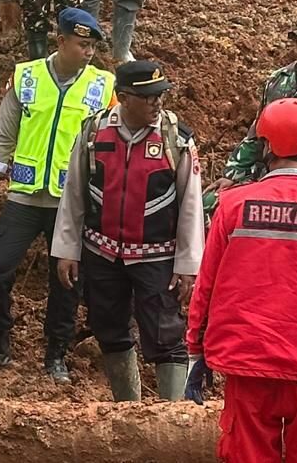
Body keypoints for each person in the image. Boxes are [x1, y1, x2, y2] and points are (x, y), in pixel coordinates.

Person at [0, 8, 113, 383]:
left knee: (66, 281)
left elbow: (110, 149)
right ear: (60, 41)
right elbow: (1, 139)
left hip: (70, 202)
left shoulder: (103, 86)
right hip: (24, 197)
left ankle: (55, 354)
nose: (88, 52)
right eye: (81, 44)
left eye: (92, 46)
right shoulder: (26, 77)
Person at [185, 98, 297, 460]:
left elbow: (207, 285)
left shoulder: (234, 205)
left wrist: (196, 350)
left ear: (267, 147)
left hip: (248, 364)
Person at [52, 60, 203, 401]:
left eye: (160, 95)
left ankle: (172, 417)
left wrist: (187, 266)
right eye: (148, 97)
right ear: (123, 97)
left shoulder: (176, 138)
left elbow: (191, 204)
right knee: (109, 328)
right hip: (101, 253)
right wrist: (66, 249)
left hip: (157, 256)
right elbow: (73, 192)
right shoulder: (93, 131)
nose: (157, 103)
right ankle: (128, 410)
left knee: (166, 334)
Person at [209, 12, 297, 192]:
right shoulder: (277, 79)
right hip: (272, 173)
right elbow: (258, 131)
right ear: (296, 42)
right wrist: (233, 173)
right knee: (212, 203)